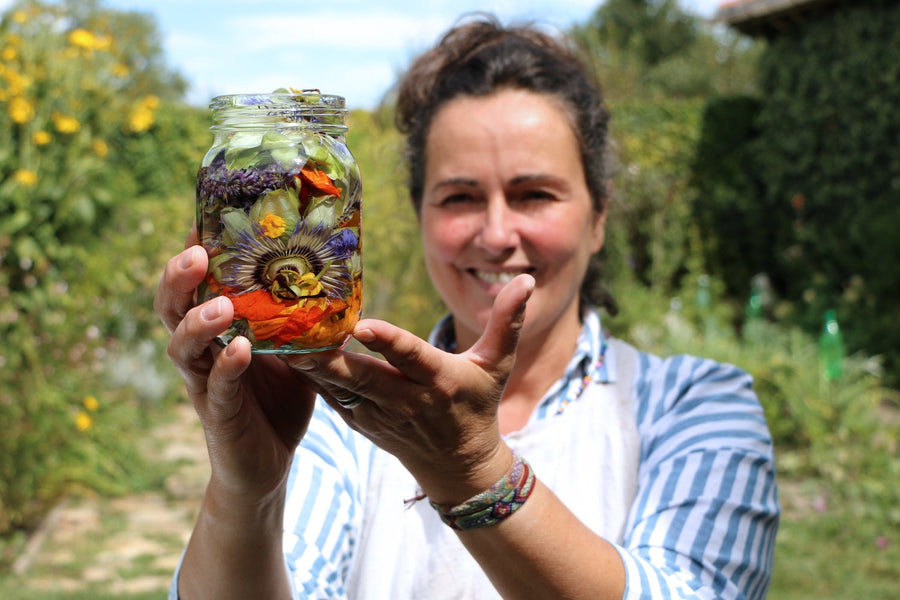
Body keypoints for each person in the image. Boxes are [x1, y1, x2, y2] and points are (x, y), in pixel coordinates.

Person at [157, 14, 779, 600]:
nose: (497, 234)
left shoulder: (695, 406)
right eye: (460, 197)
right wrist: (248, 494)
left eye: (534, 193)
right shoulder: (332, 420)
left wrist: (475, 470)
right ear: (419, 213)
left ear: (599, 218)